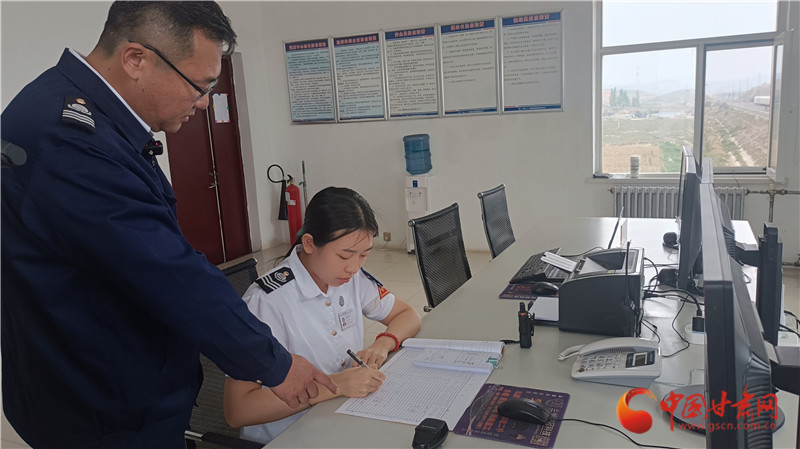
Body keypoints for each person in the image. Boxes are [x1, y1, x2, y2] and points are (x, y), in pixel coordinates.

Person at [0, 2, 336, 447]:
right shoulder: (70, 141)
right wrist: (275, 364)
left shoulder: (75, 109)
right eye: (199, 85)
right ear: (136, 59)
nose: (204, 102)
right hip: (102, 407)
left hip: (95, 374)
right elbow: (171, 274)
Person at [223, 187, 422, 444]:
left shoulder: (350, 279)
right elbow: (239, 410)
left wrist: (382, 344)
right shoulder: (266, 302)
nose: (353, 267)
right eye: (344, 255)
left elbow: (407, 314)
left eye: (363, 255)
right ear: (309, 243)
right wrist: (335, 386)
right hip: (290, 435)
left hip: (341, 417)